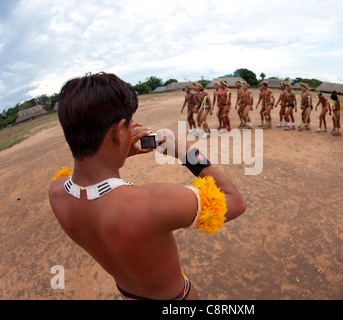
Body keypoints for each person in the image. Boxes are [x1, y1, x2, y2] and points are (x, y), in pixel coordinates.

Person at [49, 72, 246, 301]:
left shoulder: (57, 192)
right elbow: (235, 201)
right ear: (118, 131)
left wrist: (119, 152)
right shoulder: (153, 202)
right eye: (130, 124)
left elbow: (91, 181)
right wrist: (187, 154)